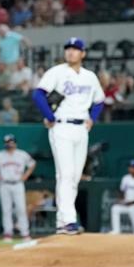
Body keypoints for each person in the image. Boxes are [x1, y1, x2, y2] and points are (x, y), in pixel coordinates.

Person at [31, 38, 105, 234]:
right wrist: (50, 116)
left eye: (75, 49)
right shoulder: (57, 72)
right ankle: (69, 221)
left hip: (82, 129)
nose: (71, 52)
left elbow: (99, 101)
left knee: (74, 177)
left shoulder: (90, 76)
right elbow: (38, 94)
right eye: (68, 49)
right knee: (65, 174)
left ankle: (62, 221)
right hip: (62, 127)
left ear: (83, 54)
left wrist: (92, 119)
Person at [0, 134, 36, 242]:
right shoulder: (0, 155)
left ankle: (25, 233)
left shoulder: (21, 154)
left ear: (15, 143)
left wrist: (26, 175)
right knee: (6, 210)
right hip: (4, 184)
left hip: (18, 183)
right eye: (7, 142)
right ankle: (8, 233)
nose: (9, 144)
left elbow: (32, 164)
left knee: (21, 209)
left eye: (11, 142)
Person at [110, 160, 134, 234]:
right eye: (130, 167)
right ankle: (116, 230)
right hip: (127, 203)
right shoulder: (126, 178)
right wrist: (121, 200)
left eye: (133, 167)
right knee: (115, 208)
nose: (130, 169)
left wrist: (132, 202)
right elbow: (122, 191)